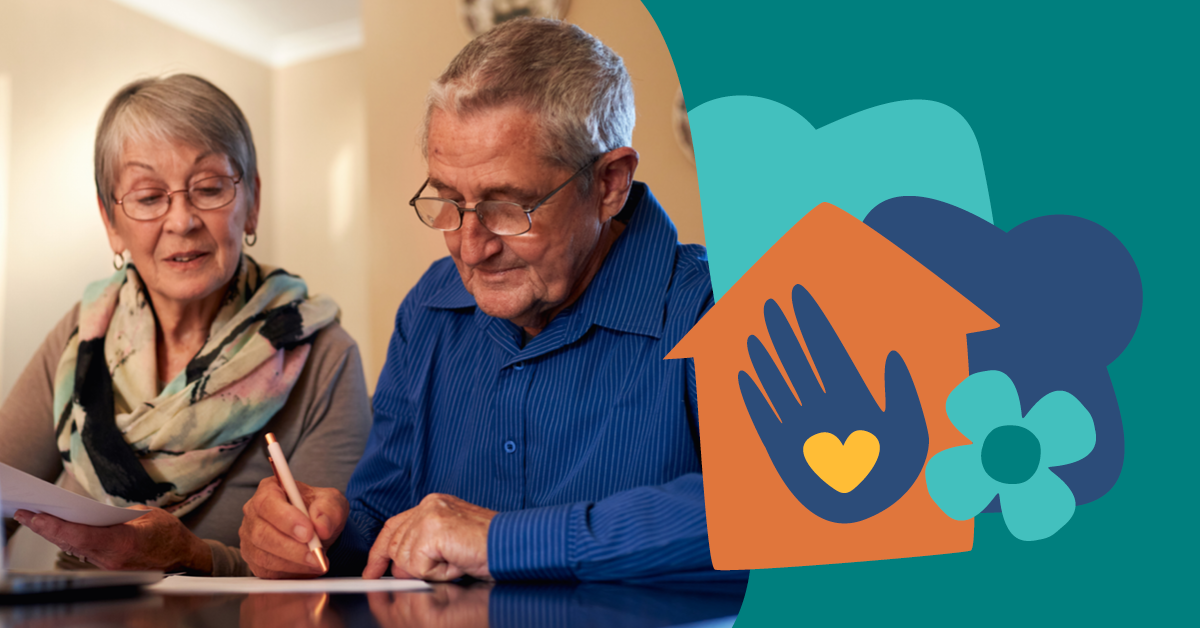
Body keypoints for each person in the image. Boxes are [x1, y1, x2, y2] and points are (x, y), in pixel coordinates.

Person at [240, 18, 741, 582]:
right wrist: (317, 532)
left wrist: (504, 539)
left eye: (508, 206)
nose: (470, 249)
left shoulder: (720, 306)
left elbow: (785, 500)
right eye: (449, 200)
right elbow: (382, 519)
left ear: (609, 184)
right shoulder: (430, 307)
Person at [0, 74, 371, 577]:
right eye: (149, 197)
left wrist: (191, 557)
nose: (182, 220)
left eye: (209, 188)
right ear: (112, 221)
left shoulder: (323, 354)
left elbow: (326, 573)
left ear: (252, 202)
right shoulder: (83, 335)